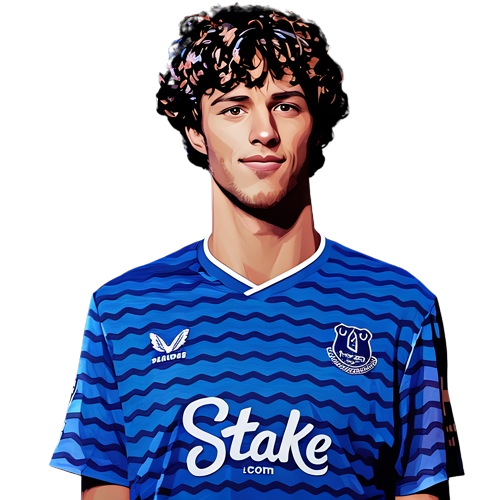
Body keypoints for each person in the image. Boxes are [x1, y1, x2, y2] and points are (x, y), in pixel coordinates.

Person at [48, 2, 460, 498]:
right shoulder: (123, 309)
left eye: (286, 105)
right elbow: (104, 488)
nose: (264, 132)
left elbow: (422, 490)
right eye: (233, 108)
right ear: (196, 130)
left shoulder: (400, 305)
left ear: (316, 125)